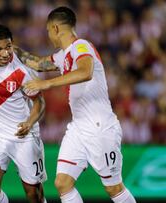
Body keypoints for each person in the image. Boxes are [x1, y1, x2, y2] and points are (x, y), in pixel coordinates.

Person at [15, 7, 136, 203]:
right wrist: (14, 50)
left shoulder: (82, 46)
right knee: (62, 183)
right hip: (79, 127)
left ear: (55, 28)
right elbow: (38, 63)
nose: (48, 35)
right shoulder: (64, 55)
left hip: (100, 127)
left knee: (113, 188)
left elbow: (85, 72)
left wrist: (46, 83)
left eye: (47, 30)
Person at [0, 24, 47, 203]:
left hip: (23, 135)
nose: (5, 53)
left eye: (8, 47)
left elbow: (40, 102)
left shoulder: (23, 72)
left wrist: (29, 123)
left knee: (33, 195)